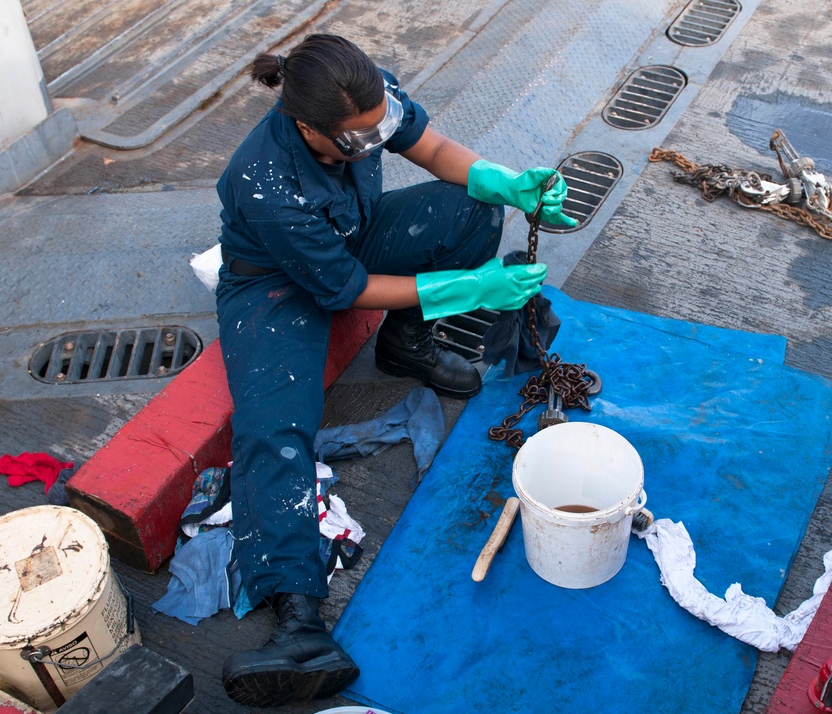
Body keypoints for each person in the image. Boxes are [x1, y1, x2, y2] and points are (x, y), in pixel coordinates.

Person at [214, 34, 575, 708]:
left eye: (376, 127)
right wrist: (471, 290)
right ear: (306, 126)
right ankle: (297, 619)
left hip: (349, 237)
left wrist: (505, 184)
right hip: (274, 286)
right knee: (271, 430)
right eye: (356, 139)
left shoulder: (365, 96)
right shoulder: (261, 181)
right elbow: (344, 289)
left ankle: (405, 346)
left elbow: (431, 150)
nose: (373, 140)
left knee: (469, 206)